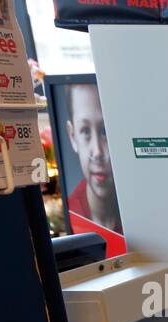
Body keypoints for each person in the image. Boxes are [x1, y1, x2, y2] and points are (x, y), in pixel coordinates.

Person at [65, 83, 122, 235]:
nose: (97, 152)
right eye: (85, 131)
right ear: (72, 136)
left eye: (105, 130)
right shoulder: (72, 214)